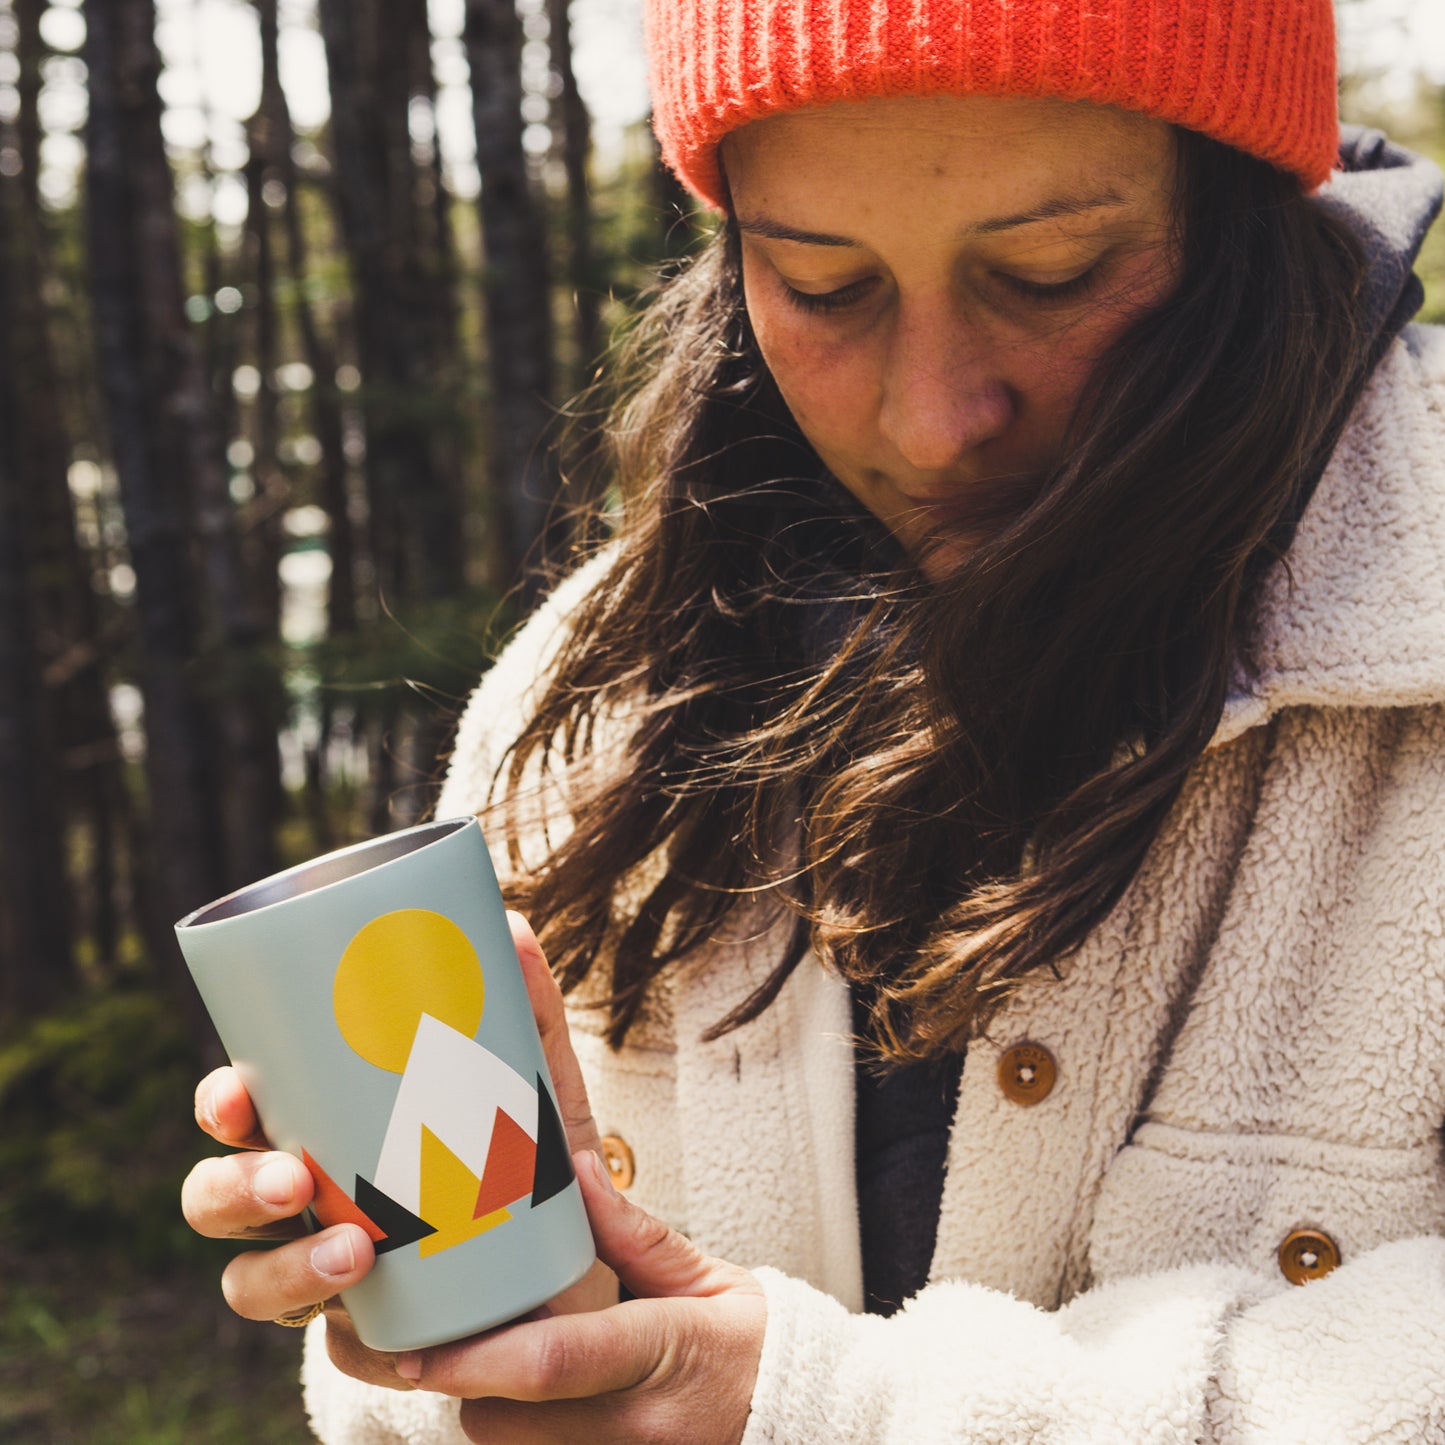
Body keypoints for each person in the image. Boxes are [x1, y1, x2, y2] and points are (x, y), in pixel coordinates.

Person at [182, 0, 1445, 1439]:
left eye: (1049, 272)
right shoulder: (589, 700)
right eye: (823, 287)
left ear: (1245, 219)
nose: (929, 418)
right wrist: (498, 1357)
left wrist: (819, 1410)